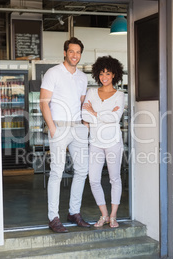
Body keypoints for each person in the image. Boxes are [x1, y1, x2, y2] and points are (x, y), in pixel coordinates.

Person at [40, 37, 90, 233]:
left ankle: (74, 212)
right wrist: (52, 128)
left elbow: (82, 103)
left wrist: (84, 125)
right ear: (65, 52)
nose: (75, 55)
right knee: (57, 172)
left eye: (78, 52)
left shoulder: (82, 77)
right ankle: (53, 217)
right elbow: (44, 102)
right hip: (59, 127)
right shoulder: (53, 73)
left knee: (81, 171)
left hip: (78, 127)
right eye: (71, 51)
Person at [82, 56, 125, 228]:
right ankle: (104, 214)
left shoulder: (120, 95)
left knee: (114, 179)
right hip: (95, 142)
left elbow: (116, 118)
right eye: (101, 73)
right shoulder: (91, 92)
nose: (104, 77)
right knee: (93, 179)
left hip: (113, 141)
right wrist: (103, 115)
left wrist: (95, 113)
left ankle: (113, 216)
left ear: (114, 74)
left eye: (107, 73)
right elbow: (84, 115)